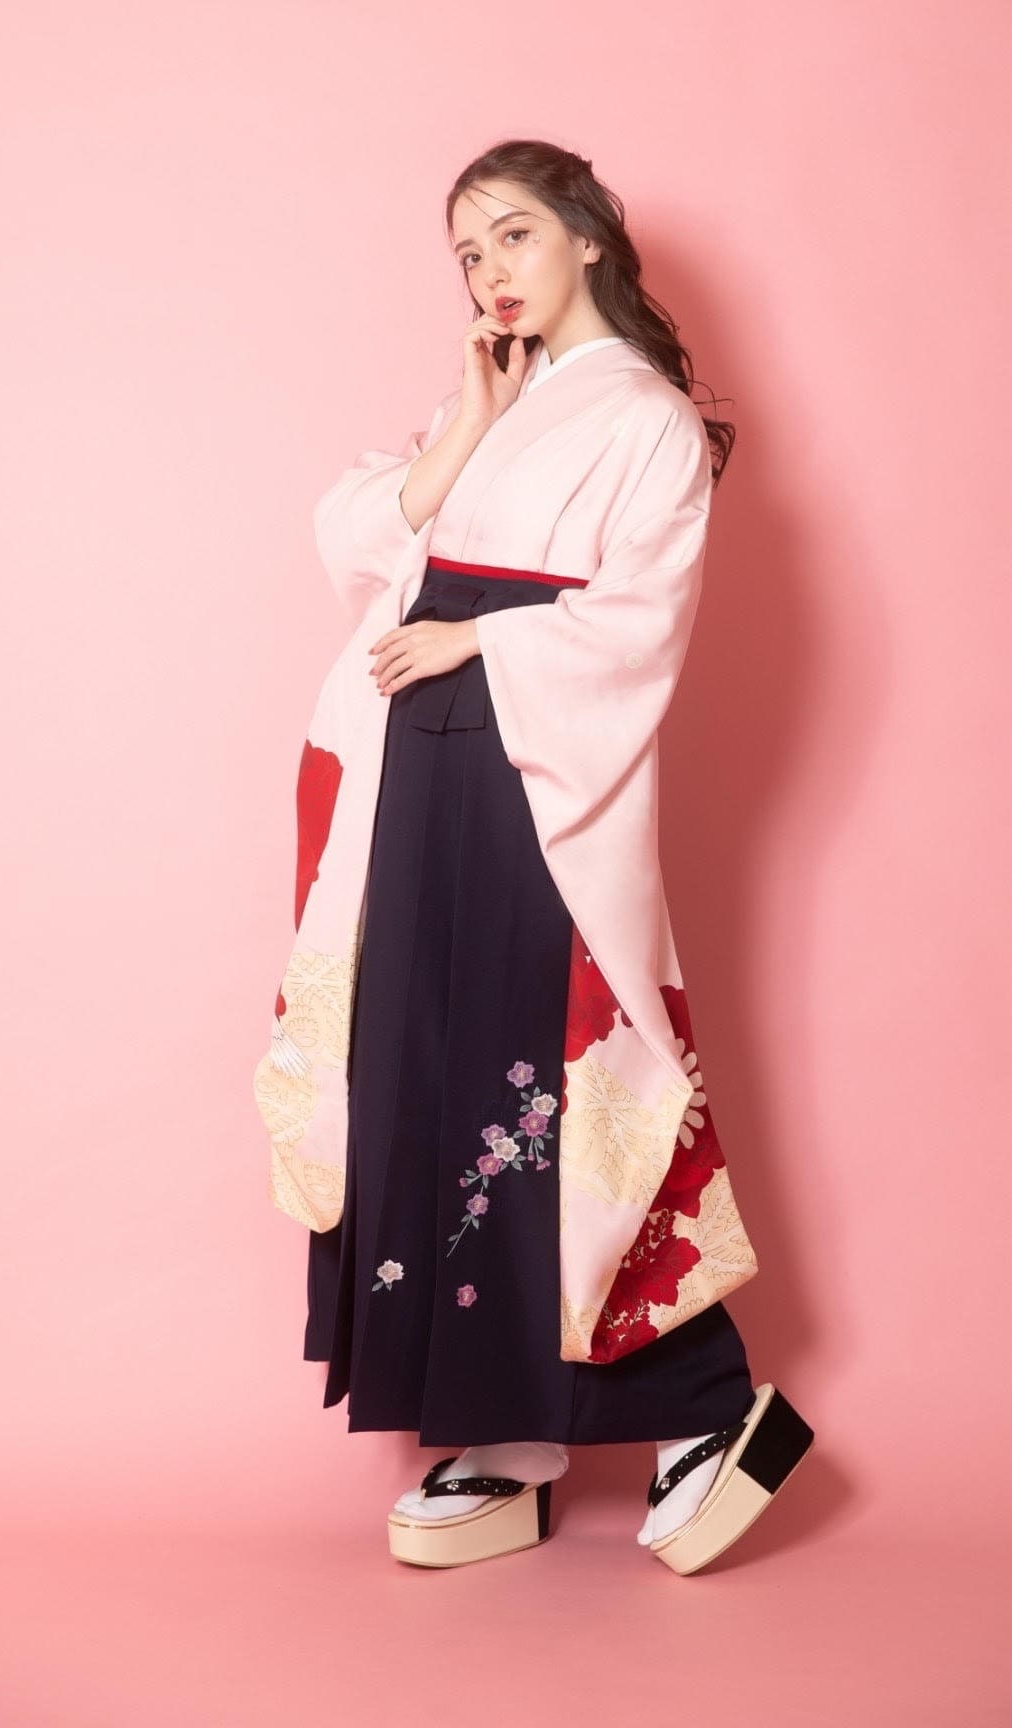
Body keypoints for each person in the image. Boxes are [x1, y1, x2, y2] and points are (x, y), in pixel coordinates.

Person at [255, 139, 814, 1573]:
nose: (490, 271)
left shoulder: (646, 418)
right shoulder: (497, 402)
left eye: (512, 235)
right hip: (417, 772)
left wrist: (475, 638)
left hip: (527, 782)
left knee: (544, 1083)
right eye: (467, 252)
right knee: (423, 1068)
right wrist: (465, 426)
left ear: (587, 237)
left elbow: (638, 623)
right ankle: (504, 1438)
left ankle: (710, 1413)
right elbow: (356, 539)